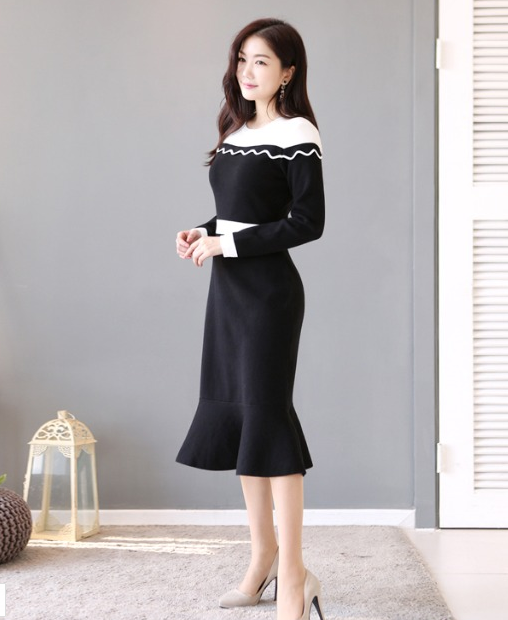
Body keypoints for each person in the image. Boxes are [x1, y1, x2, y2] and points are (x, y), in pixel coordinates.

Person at [175, 17, 326, 620]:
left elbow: (307, 222)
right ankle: (262, 556)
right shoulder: (237, 130)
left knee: (267, 419)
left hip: (268, 297)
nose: (247, 71)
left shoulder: (298, 132)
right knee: (242, 420)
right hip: (228, 295)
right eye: (242, 59)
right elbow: (238, 213)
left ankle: (294, 577)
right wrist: (203, 232)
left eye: (261, 61)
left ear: (288, 72)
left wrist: (226, 244)